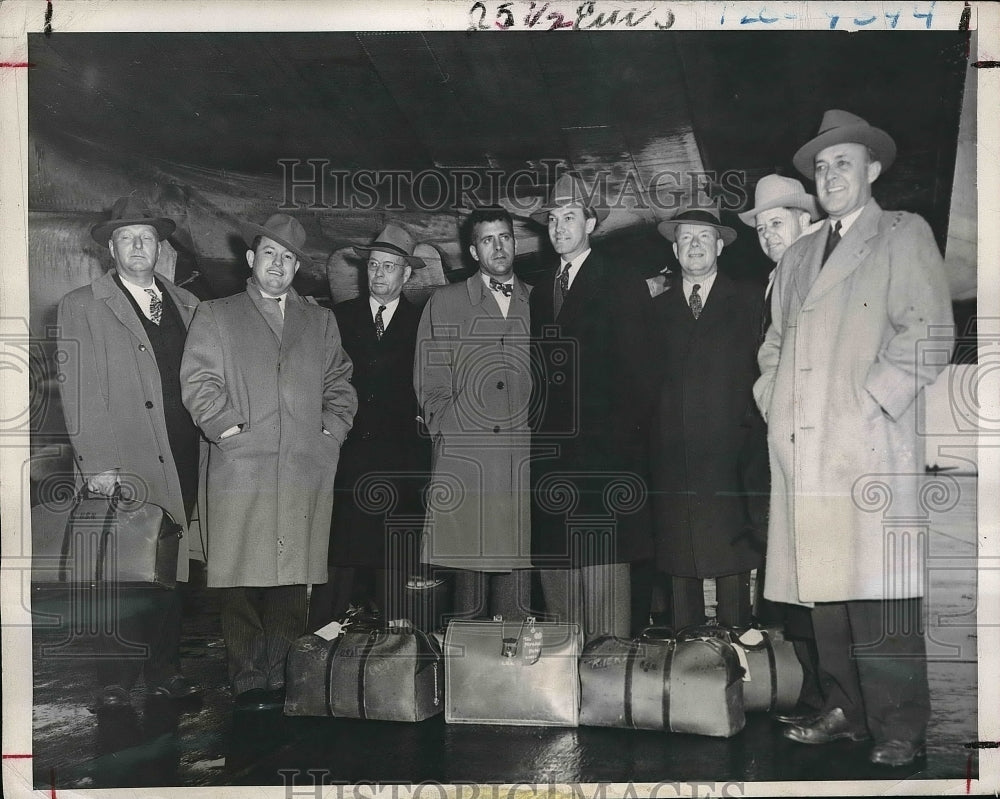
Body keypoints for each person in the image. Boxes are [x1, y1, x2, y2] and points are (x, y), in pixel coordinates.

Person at [755, 110, 954, 766]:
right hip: (805, 448)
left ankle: (899, 725)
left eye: (843, 162)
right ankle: (844, 708)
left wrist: (871, 404)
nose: (831, 174)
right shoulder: (799, 256)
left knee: (882, 592)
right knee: (826, 591)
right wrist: (772, 401)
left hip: (870, 444)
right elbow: (774, 346)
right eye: (821, 166)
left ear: (872, 169)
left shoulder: (901, 233)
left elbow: (929, 330)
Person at [181, 212, 357, 710]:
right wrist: (228, 431)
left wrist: (330, 431)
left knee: (289, 575)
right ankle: (246, 674)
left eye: (289, 258)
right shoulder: (216, 314)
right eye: (270, 254)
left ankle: (280, 672)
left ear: (296, 267)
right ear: (251, 259)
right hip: (241, 464)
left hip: (302, 464)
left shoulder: (320, 321)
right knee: (238, 575)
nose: (278, 264)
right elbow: (199, 383)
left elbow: (340, 384)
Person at [56, 196, 203, 710]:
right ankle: (113, 681)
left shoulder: (188, 305)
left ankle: (166, 670)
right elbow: (77, 390)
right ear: (110, 249)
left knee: (169, 566)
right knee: (117, 569)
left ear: (160, 247)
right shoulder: (83, 304)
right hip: (122, 457)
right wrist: (96, 463)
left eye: (146, 237)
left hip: (182, 453)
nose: (138, 245)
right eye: (126, 237)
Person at [529, 173, 657, 642]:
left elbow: (643, 373)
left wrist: (623, 447)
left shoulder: (620, 280)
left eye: (569, 217)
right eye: (552, 220)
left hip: (605, 453)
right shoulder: (541, 289)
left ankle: (607, 668)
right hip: (551, 454)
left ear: (590, 222)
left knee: (602, 562)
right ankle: (563, 671)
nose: (559, 227)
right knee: (558, 564)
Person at [308, 223, 431, 628]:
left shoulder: (425, 322)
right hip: (348, 455)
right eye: (373, 265)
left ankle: (398, 649)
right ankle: (321, 645)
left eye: (389, 266)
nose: (378, 274)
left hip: (402, 461)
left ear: (407, 274)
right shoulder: (335, 319)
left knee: (395, 557)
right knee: (338, 555)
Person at [414, 207, 533, 619]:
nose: (498, 247)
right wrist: (449, 428)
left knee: (517, 580)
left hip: (521, 460)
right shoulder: (445, 302)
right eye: (488, 239)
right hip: (467, 459)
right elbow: (430, 380)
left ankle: (516, 676)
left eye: (504, 237)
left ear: (515, 242)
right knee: (469, 590)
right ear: (473, 250)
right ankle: (467, 679)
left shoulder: (536, 300)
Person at [649, 207, 763, 630]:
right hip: (675, 456)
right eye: (685, 239)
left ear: (719, 247)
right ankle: (687, 662)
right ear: (675, 249)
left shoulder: (751, 300)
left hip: (731, 451)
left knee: (734, 556)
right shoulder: (656, 310)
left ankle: (739, 652)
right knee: (680, 558)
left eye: (703, 238)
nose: (694, 245)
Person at [737, 174, 825, 723]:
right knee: (792, 574)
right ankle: (813, 691)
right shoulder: (777, 277)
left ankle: (831, 697)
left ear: (804, 220)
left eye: (778, 223)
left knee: (815, 575)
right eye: (762, 226)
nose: (768, 234)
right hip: (775, 444)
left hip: (808, 444)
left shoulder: (818, 270)